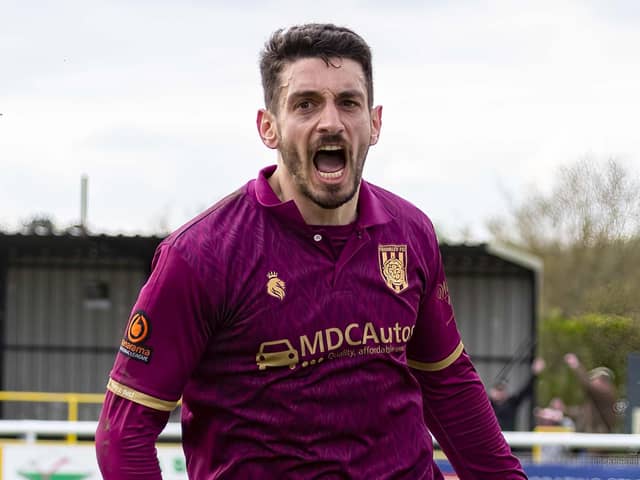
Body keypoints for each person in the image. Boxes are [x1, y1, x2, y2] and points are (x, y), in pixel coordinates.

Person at [95, 23, 526, 479]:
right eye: (305, 104)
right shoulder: (201, 255)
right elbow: (123, 434)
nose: (331, 122)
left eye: (348, 102)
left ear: (374, 123)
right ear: (269, 127)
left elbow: (447, 383)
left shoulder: (411, 232)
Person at [563, 352, 620, 433]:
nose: (591, 381)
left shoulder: (606, 392)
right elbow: (582, 412)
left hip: (599, 438)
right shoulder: (597, 398)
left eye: (593, 379)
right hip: (589, 437)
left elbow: (587, 384)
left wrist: (576, 365)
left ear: (601, 380)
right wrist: (564, 409)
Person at [489, 357, 545, 431]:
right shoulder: (487, 404)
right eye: (498, 390)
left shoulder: (512, 403)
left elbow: (527, 390)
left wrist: (535, 374)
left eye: (502, 390)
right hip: (493, 437)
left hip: (509, 437)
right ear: (492, 392)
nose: (500, 393)